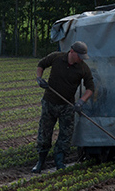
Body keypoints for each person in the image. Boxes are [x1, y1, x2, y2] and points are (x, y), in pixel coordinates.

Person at [32, 41, 95, 173]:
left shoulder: (83, 68)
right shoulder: (56, 57)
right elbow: (41, 64)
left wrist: (81, 102)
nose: (81, 59)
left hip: (68, 106)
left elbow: (90, 89)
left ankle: (60, 161)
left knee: (65, 135)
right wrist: (39, 78)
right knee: (44, 132)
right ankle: (40, 161)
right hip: (49, 102)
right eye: (80, 56)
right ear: (72, 52)